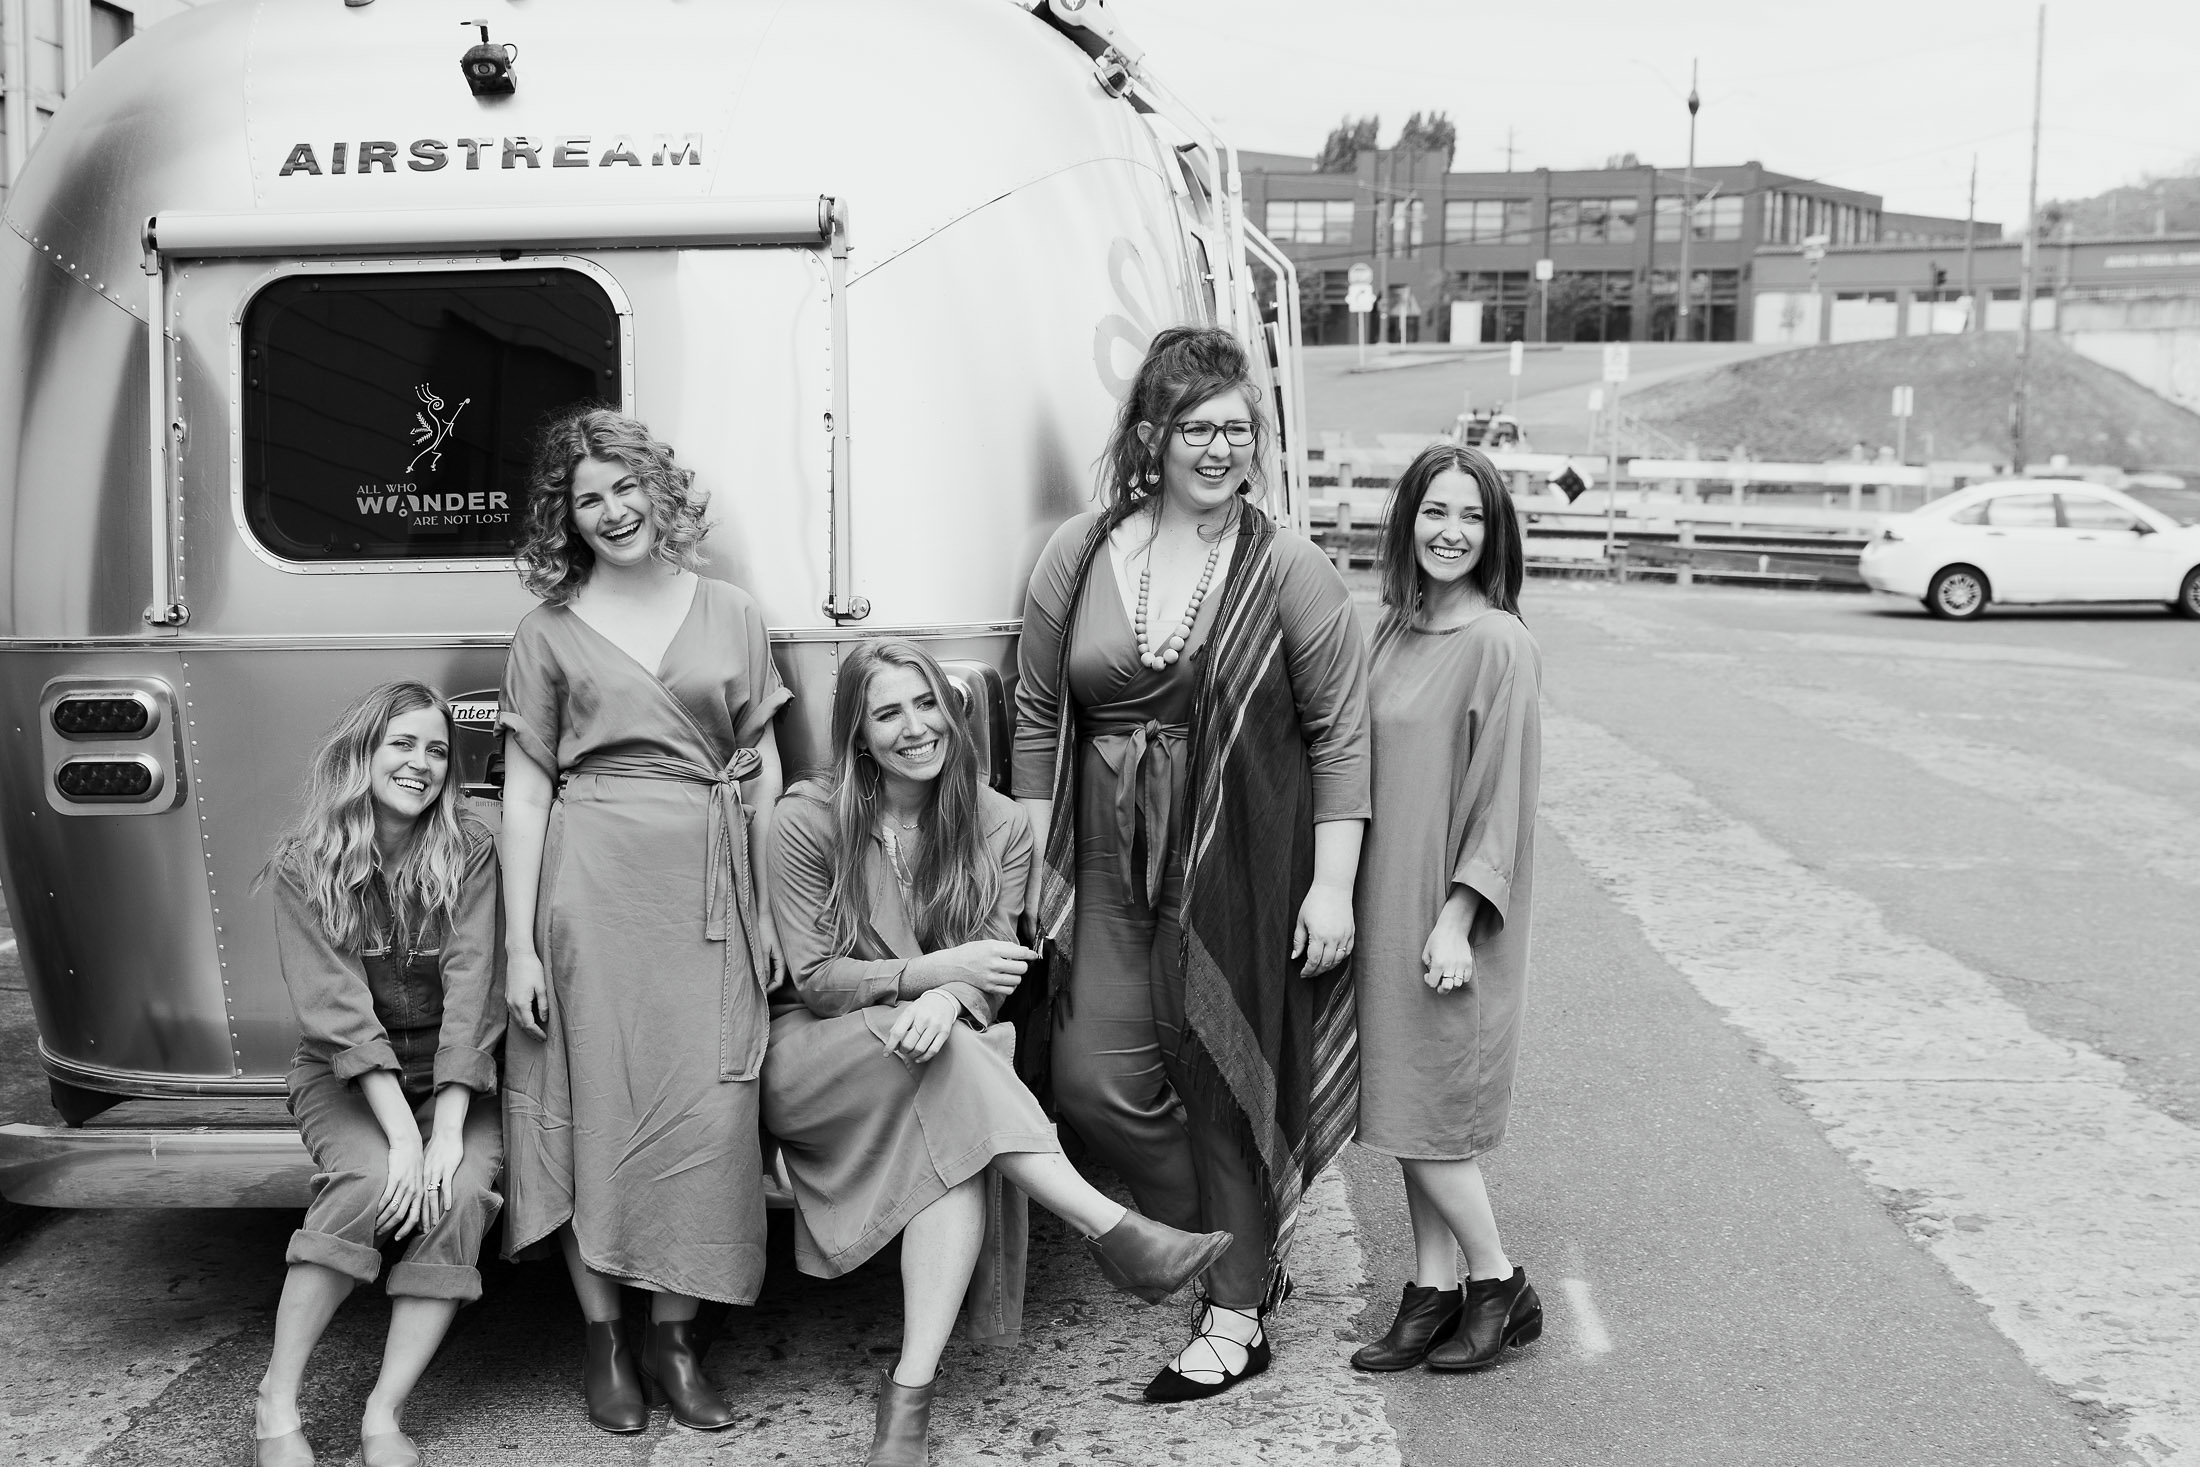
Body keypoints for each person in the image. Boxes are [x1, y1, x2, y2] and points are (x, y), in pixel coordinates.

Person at [767, 639, 1233, 1466]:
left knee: (956, 1125)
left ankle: (907, 1400)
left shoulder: (1000, 821)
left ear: (952, 711)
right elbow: (815, 982)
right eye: (888, 713)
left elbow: (996, 963)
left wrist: (950, 999)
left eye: (926, 704)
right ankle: (1111, 1225)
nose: (915, 727)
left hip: (936, 1054)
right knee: (965, 1065)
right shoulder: (807, 819)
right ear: (858, 734)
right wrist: (929, 975)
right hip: (819, 1055)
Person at [1014, 326, 1371, 1401]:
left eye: (1235, 429)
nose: (1218, 450)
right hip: (1100, 855)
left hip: (1239, 855)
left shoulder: (1286, 564)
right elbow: (1038, 714)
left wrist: (1332, 885)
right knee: (1092, 1081)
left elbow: (1340, 732)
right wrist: (1029, 865)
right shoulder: (1079, 552)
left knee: (1223, 1078)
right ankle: (1244, 1249)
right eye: (1195, 428)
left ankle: (1233, 1318)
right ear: (1149, 436)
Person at [497, 408, 786, 1434]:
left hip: (709, 893)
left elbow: (764, 765)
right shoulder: (546, 630)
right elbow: (526, 794)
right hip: (592, 886)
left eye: (624, 487)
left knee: (707, 1115)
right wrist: (519, 945)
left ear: (656, 491)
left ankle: (676, 1338)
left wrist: (767, 911)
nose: (611, 511)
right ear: (564, 519)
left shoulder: (729, 610)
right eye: (587, 498)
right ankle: (606, 1340)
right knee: (596, 1107)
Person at [251, 682, 505, 1467]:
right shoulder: (305, 862)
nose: (421, 764)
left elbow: (474, 993)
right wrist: (402, 1137)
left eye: (436, 750)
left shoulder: (470, 847)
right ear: (363, 752)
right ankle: (276, 1402)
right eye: (402, 744)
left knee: (459, 1192)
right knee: (367, 1181)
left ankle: (382, 1415)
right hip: (343, 1073)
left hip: (455, 1075)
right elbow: (337, 1014)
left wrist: (448, 1133)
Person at [1348, 442, 1544, 1375]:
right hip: (1383, 902)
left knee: (1432, 1112)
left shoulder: (1501, 643)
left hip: (1447, 916)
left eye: (1470, 515)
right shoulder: (1387, 629)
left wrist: (1458, 918)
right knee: (1402, 1110)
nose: (1450, 531)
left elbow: (1501, 799)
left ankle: (1499, 1281)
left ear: (1493, 531)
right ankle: (1430, 1290)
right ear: (1408, 521)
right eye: (1435, 511)